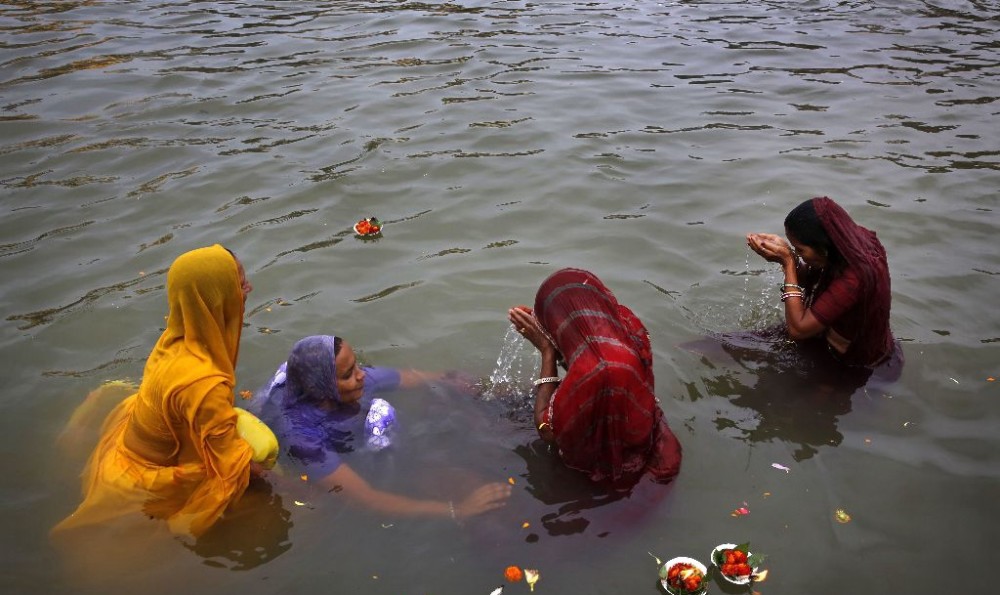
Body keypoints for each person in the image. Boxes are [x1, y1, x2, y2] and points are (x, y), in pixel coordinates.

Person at [52, 244, 269, 539]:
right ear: (217, 299)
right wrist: (298, 492)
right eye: (241, 284)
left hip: (124, 451)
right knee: (261, 499)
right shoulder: (203, 382)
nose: (249, 289)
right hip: (146, 483)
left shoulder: (174, 339)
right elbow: (233, 465)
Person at [248, 335, 512, 521]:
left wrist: (485, 389)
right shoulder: (304, 437)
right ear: (322, 389)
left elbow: (423, 378)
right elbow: (366, 498)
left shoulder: (358, 380)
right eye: (348, 374)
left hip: (346, 420)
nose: (361, 375)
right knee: (327, 501)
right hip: (329, 451)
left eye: (357, 366)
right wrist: (456, 510)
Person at [508, 268, 682, 490]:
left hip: (609, 472)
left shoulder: (593, 371)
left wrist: (547, 351)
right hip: (653, 443)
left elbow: (547, 430)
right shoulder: (629, 326)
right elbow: (587, 352)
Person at [746, 196, 902, 379]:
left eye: (800, 250)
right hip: (830, 340)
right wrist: (788, 256)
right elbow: (810, 278)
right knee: (741, 345)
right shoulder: (849, 243)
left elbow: (798, 330)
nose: (799, 255)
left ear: (824, 247)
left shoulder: (854, 279)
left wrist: (788, 262)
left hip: (852, 364)